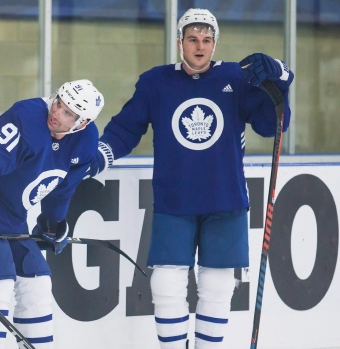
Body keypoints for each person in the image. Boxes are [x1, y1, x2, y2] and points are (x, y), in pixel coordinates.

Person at [87, 8, 294, 349]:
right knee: (166, 286)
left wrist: (282, 81)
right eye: (193, 39)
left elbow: (273, 124)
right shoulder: (155, 82)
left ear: (215, 44)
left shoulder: (238, 78)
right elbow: (125, 128)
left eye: (207, 40)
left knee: (217, 288)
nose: (200, 47)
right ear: (180, 42)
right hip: (175, 201)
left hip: (225, 201)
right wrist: (100, 155)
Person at [0, 79, 104, 349]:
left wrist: (53, 222)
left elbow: (62, 188)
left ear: (82, 124)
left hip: (12, 213)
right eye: (59, 103)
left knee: (37, 284)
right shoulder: (27, 117)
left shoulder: (86, 141)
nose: (56, 112)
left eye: (67, 113)